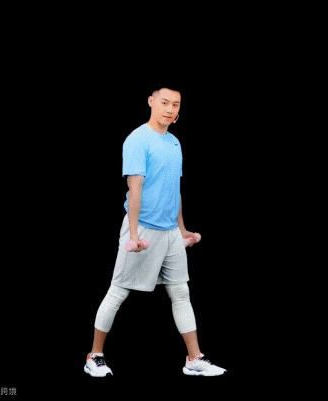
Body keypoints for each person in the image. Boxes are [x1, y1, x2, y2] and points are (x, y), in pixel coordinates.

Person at [84, 82, 227, 377]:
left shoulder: (174, 143)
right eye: (164, 102)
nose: (170, 109)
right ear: (151, 101)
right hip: (143, 229)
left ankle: (194, 359)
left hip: (170, 232)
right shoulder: (138, 140)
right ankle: (94, 356)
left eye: (175, 105)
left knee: (181, 293)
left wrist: (182, 230)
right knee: (117, 292)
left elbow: (174, 190)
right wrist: (134, 235)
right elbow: (134, 189)